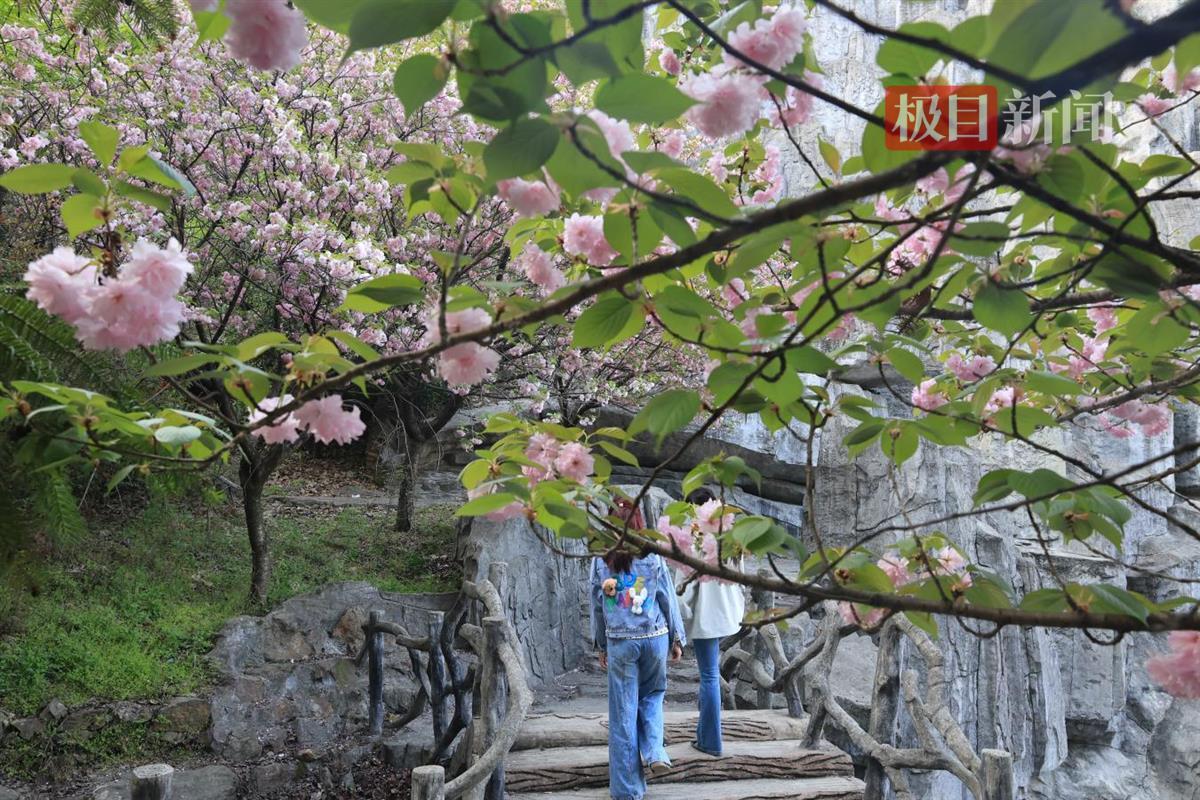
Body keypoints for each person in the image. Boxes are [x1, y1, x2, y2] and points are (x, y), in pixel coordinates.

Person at [591, 498, 686, 800]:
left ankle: (627, 790)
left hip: (621, 642)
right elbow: (666, 597)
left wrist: (600, 644)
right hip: (654, 635)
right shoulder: (652, 554)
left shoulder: (600, 558)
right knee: (653, 695)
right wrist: (676, 638)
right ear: (639, 523)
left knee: (622, 714)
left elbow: (596, 604)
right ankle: (656, 750)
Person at [676, 488, 746, 757]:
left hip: (705, 615)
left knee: (708, 676)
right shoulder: (730, 537)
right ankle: (704, 735)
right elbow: (740, 576)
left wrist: (677, 617)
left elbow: (685, 585)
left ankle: (711, 741)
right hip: (727, 612)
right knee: (710, 673)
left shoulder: (695, 538)